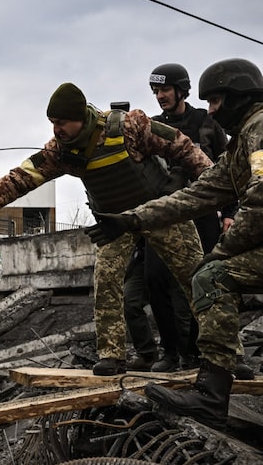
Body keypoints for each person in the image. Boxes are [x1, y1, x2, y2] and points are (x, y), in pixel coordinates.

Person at [0, 82, 212, 376]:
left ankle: (224, 352)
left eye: (61, 123)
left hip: (160, 213)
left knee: (198, 278)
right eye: (52, 124)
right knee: (106, 282)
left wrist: (216, 189)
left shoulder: (129, 126)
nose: (56, 130)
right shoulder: (60, 151)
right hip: (114, 224)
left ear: (79, 117)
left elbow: (183, 147)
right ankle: (112, 355)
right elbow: (19, 179)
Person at [86, 58, 263, 428]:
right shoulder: (242, 140)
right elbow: (199, 193)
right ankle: (209, 386)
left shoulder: (259, 128)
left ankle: (212, 395)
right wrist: (133, 220)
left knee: (211, 276)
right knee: (196, 277)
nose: (212, 110)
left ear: (239, 96)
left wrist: (223, 250)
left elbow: (260, 197)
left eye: (216, 101)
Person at [125, 63, 234, 373]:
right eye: (155, 91)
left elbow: (226, 170)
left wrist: (229, 214)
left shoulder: (205, 123)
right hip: (165, 216)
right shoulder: (153, 126)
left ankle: (202, 353)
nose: (160, 96)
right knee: (155, 281)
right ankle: (170, 353)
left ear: (181, 90)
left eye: (165, 90)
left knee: (206, 281)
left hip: (203, 215)